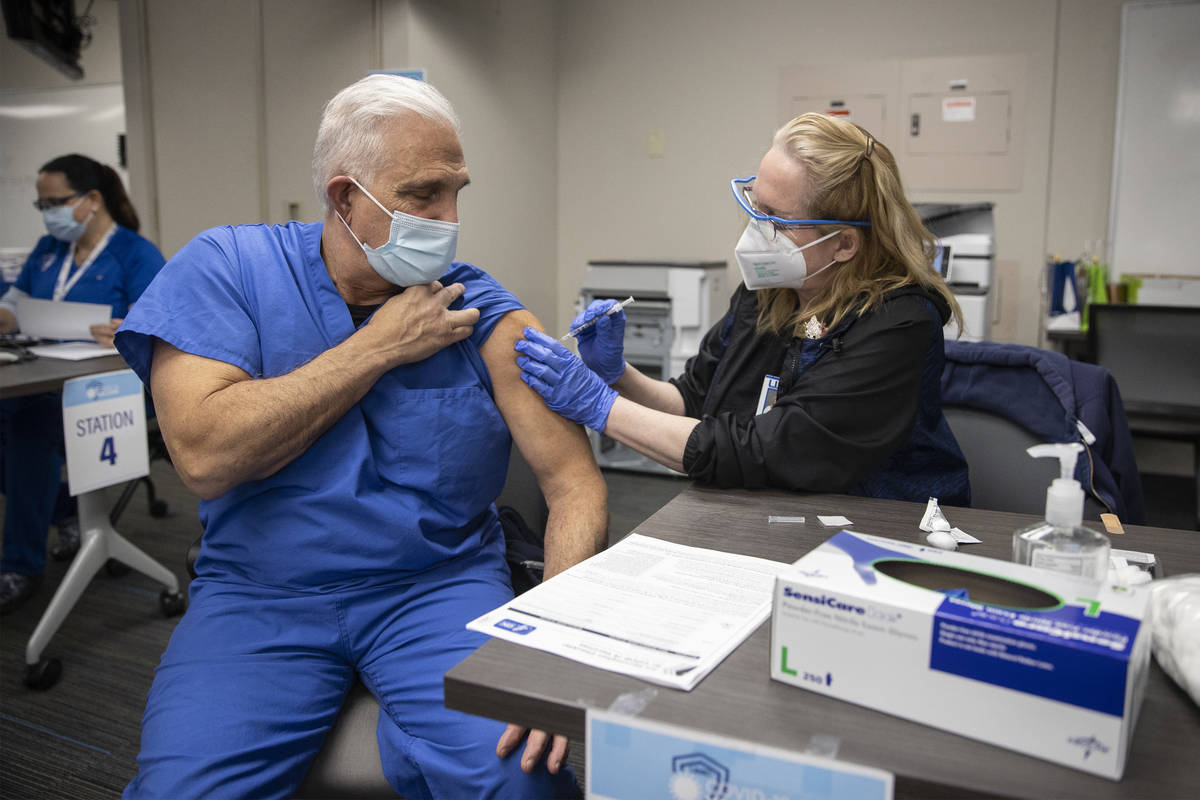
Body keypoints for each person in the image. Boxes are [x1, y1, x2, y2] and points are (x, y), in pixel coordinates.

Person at [112, 74, 605, 799]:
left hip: (435, 588)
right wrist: (377, 348)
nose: (448, 218)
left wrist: (551, 651)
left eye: (457, 191)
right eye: (423, 195)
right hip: (259, 593)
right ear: (346, 197)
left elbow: (573, 483)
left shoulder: (479, 310)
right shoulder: (228, 269)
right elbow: (204, 457)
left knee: (522, 778)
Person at [516, 113, 970, 505]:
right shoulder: (770, 291)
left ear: (845, 243)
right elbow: (696, 401)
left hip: (882, 527)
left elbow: (766, 449)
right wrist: (617, 375)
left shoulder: (899, 324)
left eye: (776, 219)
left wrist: (599, 406)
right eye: (756, 205)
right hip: (766, 511)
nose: (757, 230)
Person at [0, 154, 165, 614]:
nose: (47, 212)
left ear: (91, 200)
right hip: (46, 379)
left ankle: (18, 567)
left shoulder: (135, 254)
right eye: (41, 204)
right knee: (13, 420)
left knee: (29, 425)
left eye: (54, 202)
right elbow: (12, 311)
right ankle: (64, 512)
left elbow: (161, 329)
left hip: (115, 387)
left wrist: (128, 327)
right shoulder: (47, 250)